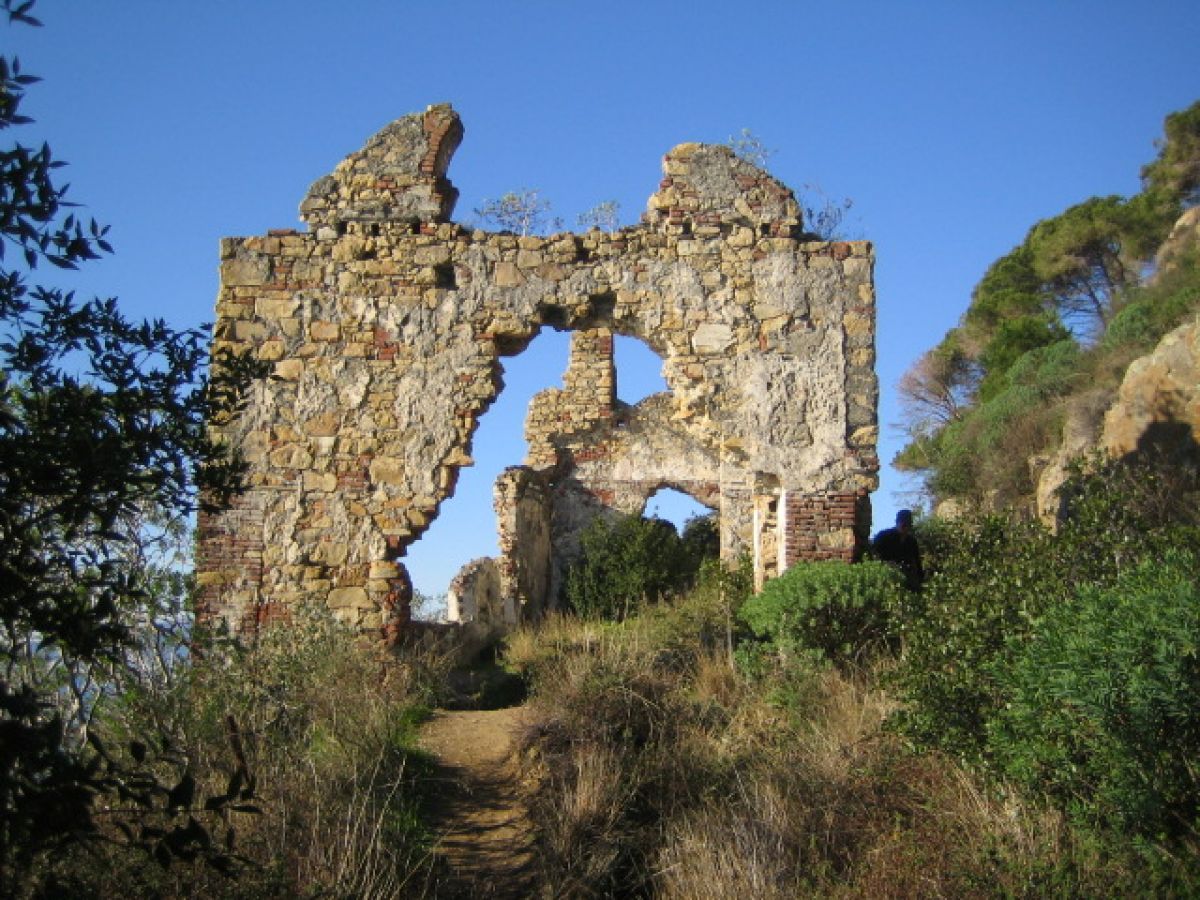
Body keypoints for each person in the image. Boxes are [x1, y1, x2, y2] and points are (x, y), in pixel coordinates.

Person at [873, 509, 924, 589]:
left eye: (907, 525)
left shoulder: (911, 542)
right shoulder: (883, 536)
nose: (904, 527)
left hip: (906, 579)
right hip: (885, 576)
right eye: (903, 524)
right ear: (897, 523)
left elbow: (917, 563)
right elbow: (875, 556)